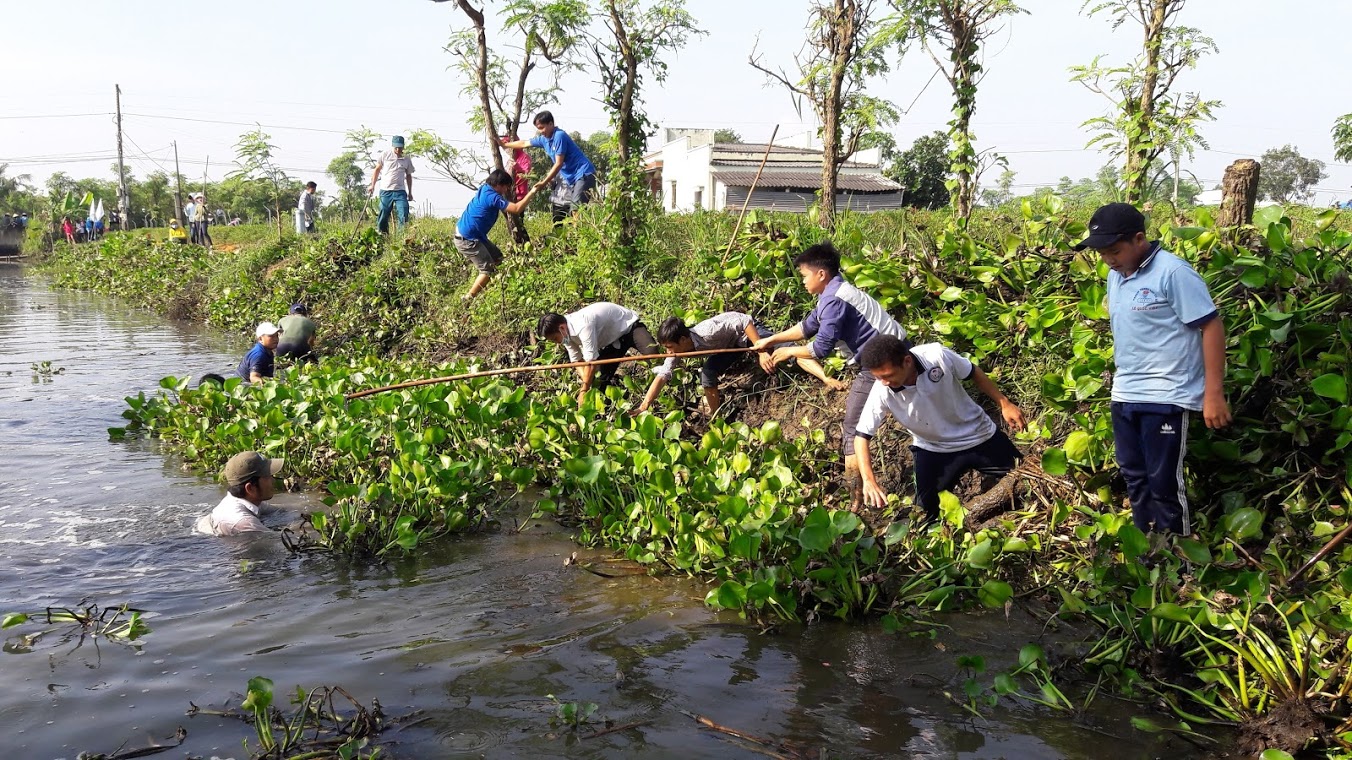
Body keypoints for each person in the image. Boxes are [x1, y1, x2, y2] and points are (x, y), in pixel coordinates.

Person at [1074, 202, 1231, 536]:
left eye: (1114, 251)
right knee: (1133, 475)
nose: (1108, 260)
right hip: (1125, 393)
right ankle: (1148, 554)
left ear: (1139, 239)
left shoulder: (1173, 272)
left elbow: (1211, 327)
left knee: (1163, 483)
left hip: (1167, 395)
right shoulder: (1115, 277)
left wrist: (1213, 394)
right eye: (1102, 253)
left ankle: (1177, 562)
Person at [751, 241, 908, 506]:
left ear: (821, 274)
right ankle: (857, 496)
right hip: (892, 352)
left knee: (852, 427)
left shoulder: (833, 300)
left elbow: (821, 348)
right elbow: (807, 326)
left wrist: (788, 353)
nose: (802, 282)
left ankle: (856, 499)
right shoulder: (836, 291)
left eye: (804, 276)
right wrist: (770, 341)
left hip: (884, 361)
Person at [853, 335, 1026, 522]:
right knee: (925, 516)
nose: (884, 382)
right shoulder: (882, 390)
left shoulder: (936, 355)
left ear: (907, 361)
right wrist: (869, 479)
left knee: (1028, 478)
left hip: (979, 435)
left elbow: (972, 372)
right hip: (934, 449)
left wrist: (1004, 403)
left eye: (887, 375)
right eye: (878, 377)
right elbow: (861, 436)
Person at [634, 312, 847, 416]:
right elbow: (662, 375)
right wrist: (644, 405)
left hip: (747, 336)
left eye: (671, 347)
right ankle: (715, 416)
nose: (669, 353)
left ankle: (826, 377)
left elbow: (744, 320)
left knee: (788, 351)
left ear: (683, 340)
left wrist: (761, 350)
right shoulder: (676, 351)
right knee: (708, 372)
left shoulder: (708, 330)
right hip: (729, 348)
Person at [537, 302, 660, 405]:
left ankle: (659, 391)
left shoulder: (583, 324)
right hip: (613, 342)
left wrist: (583, 390)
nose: (556, 343)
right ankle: (608, 410)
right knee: (600, 381)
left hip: (629, 328)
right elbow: (577, 360)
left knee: (653, 355)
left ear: (562, 328)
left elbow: (591, 362)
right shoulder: (565, 335)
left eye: (554, 339)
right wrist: (586, 384)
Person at [455, 168, 543, 301]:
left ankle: (494, 289)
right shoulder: (492, 197)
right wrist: (532, 191)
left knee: (498, 260)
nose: (507, 190)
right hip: (468, 239)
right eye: (506, 187)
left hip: (475, 235)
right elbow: (516, 209)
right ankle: (468, 298)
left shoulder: (485, 188)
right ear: (499, 185)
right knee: (487, 270)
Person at [501, 111, 596, 226]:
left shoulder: (559, 136)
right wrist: (504, 145)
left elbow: (558, 163)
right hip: (573, 178)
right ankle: (573, 237)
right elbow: (524, 143)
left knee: (576, 209)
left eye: (542, 127)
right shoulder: (543, 139)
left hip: (583, 173)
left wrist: (544, 182)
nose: (541, 131)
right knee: (569, 211)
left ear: (551, 124)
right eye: (538, 128)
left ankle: (579, 237)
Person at [196, 450, 284, 537]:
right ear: (250, 488)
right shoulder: (244, 523)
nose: (273, 480)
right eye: (268, 476)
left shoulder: (248, 501)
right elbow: (278, 539)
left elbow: (281, 510)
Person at [369, 135, 415, 234]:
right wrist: (372, 185)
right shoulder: (385, 155)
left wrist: (410, 193)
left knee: (404, 212)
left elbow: (409, 176)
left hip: (400, 191)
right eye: (396, 147)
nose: (398, 149)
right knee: (383, 214)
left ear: (403, 147)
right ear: (393, 146)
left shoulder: (406, 158)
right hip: (386, 191)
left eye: (400, 147)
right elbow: (377, 170)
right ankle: (383, 235)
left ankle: (401, 236)